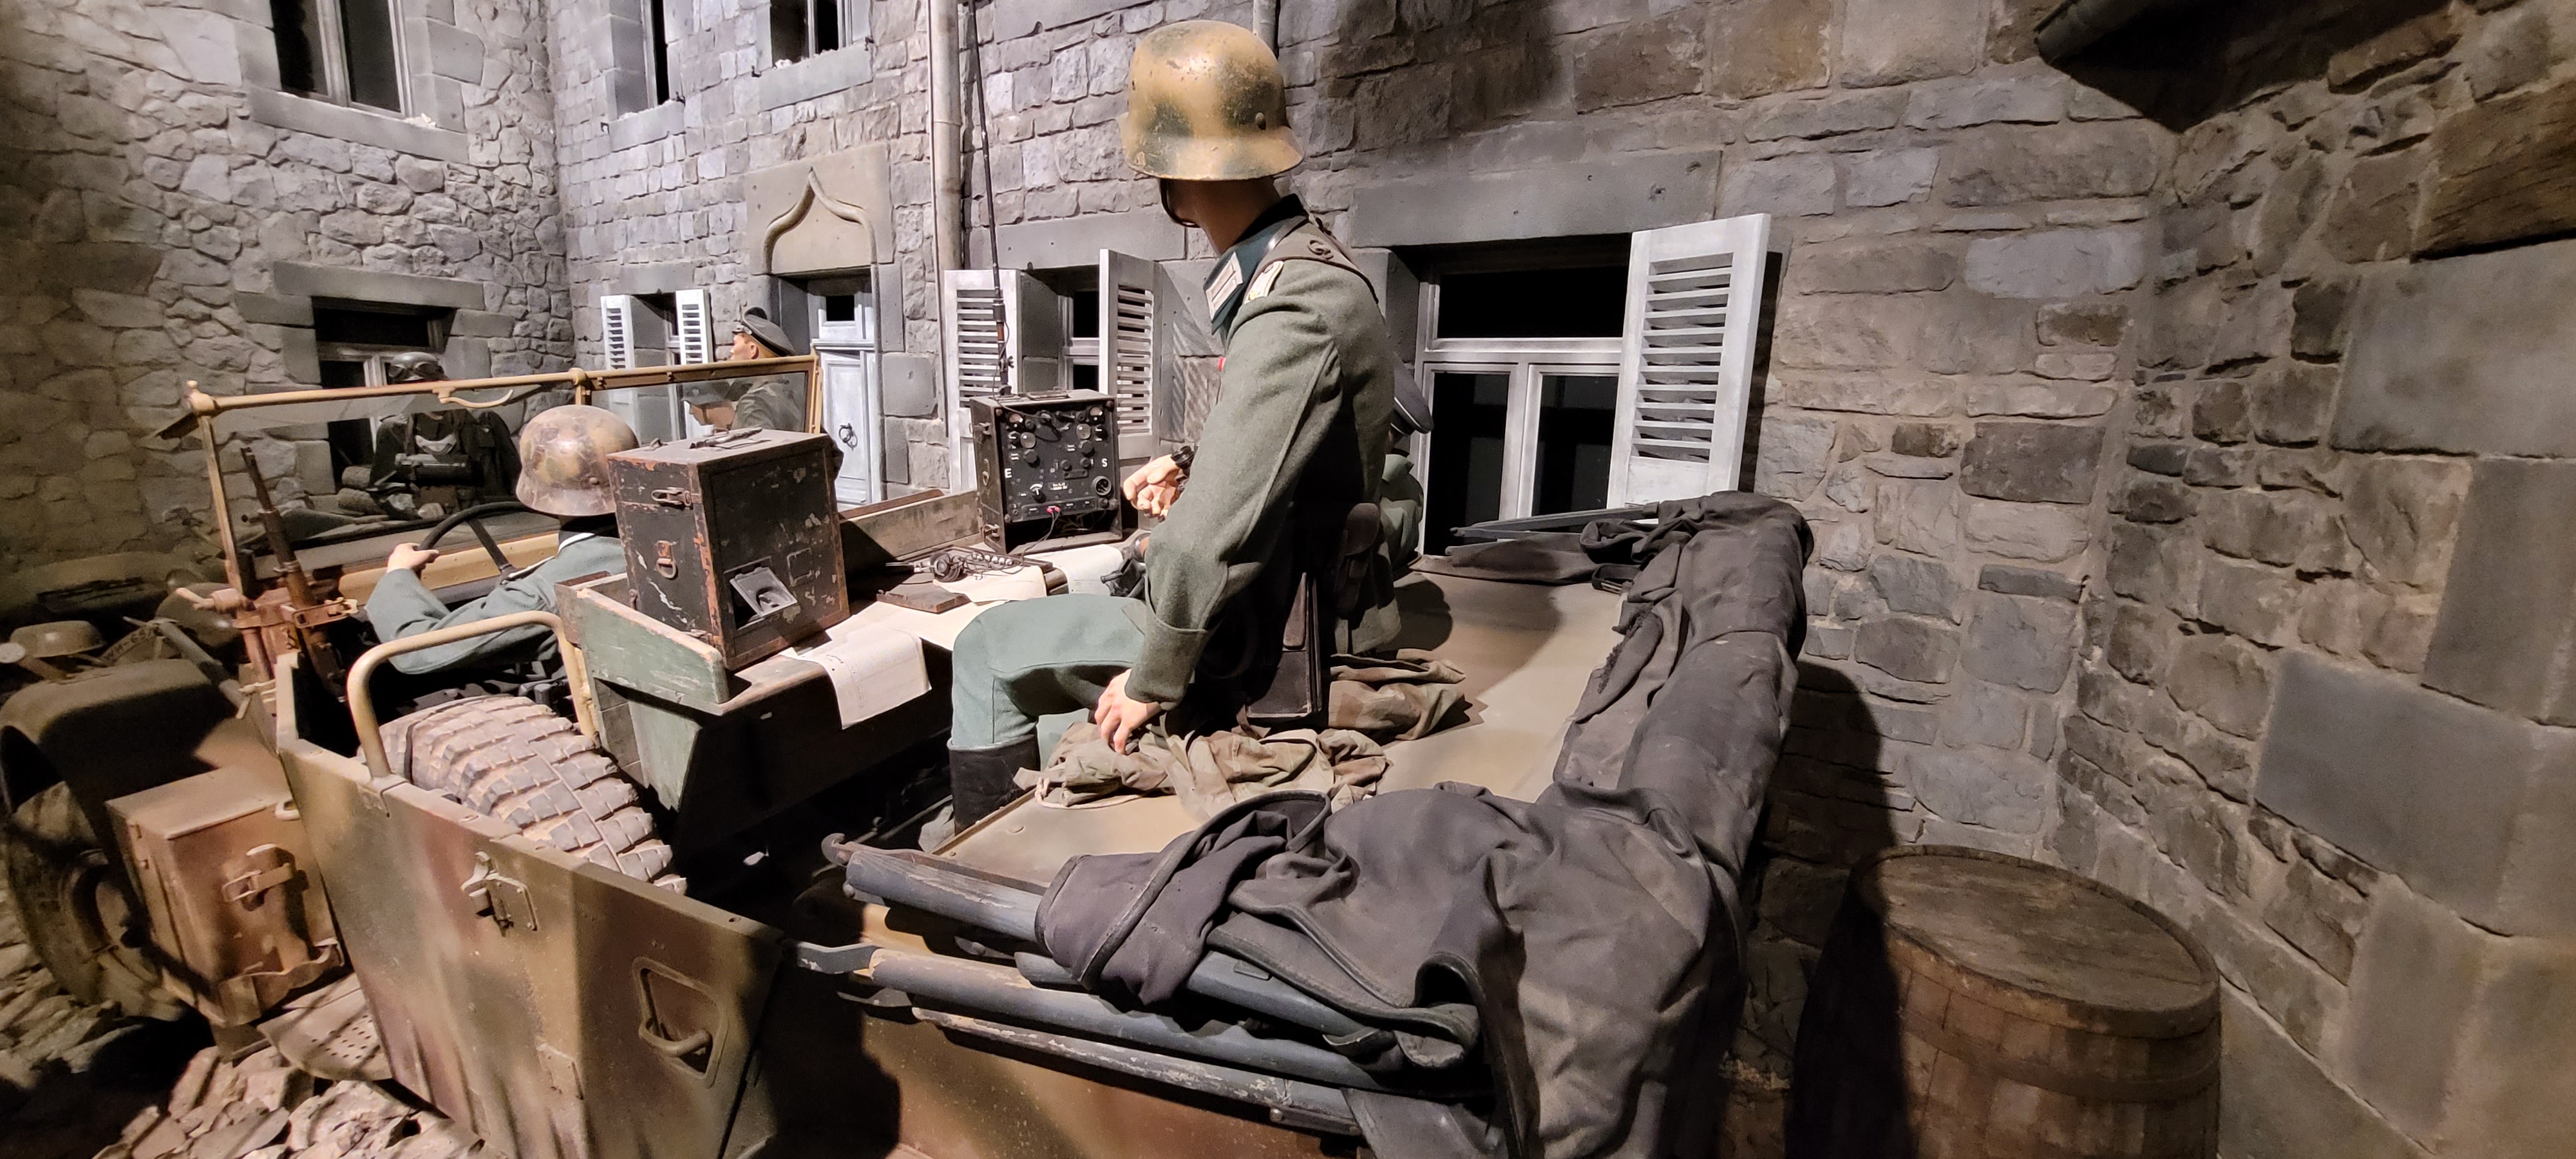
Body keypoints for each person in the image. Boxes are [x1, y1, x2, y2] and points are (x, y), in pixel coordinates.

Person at [934, 20, 1400, 834]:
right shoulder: (1304, 267)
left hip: (1273, 617)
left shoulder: (1294, 302)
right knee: (1078, 647)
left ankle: (973, 864)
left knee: (984, 644)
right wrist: (1189, 462)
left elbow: (1200, 544)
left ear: (1172, 179)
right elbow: (1289, 430)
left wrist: (1152, 676)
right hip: (1284, 585)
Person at [364, 404, 638, 677]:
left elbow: (416, 652)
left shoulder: (542, 593)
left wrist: (398, 575)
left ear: (538, 493)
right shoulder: (651, 543)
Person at [684, 308, 808, 432]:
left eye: (735, 344)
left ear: (753, 350)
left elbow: (759, 444)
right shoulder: (799, 387)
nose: (732, 351)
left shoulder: (752, 404)